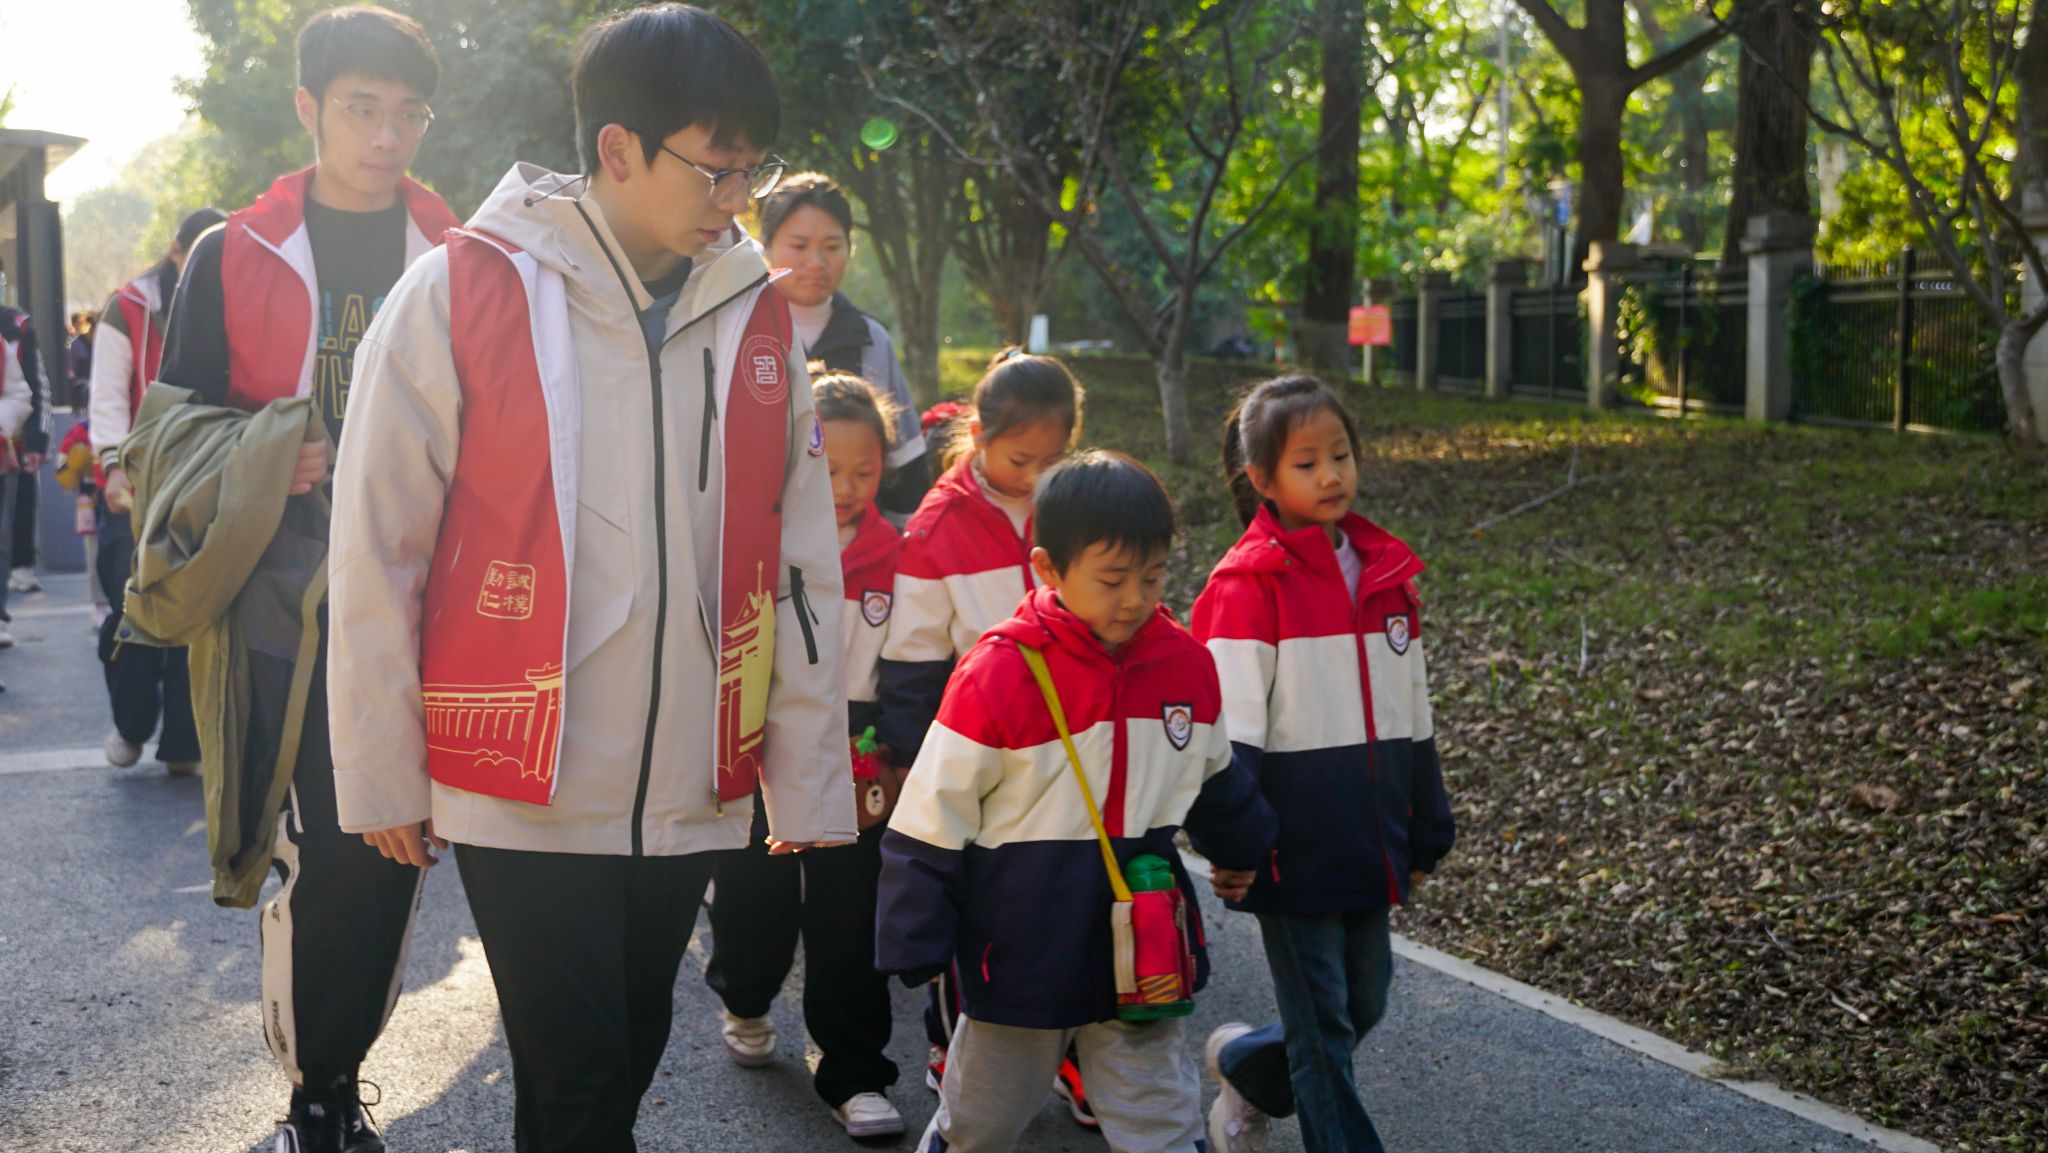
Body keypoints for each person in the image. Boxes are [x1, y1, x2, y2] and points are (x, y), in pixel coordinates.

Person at [325, 7, 855, 1151]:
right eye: (715, 168)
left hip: (691, 775)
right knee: (575, 1083)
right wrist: (378, 770)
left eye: (750, 171)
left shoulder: (755, 315)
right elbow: (377, 544)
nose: (736, 199)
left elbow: (801, 558)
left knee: (624, 1059)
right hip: (527, 777)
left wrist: (808, 776)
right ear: (617, 148)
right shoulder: (461, 290)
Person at [150, 8, 460, 1150]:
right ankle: (320, 1084)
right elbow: (166, 435)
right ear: (308, 110)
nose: (386, 137)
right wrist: (268, 455)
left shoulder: (462, 254)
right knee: (327, 845)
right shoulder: (235, 253)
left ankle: (332, 1072)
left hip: (426, 606)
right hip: (287, 604)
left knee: (391, 849)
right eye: (361, 110)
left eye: (408, 115)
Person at [877, 450, 1277, 1153]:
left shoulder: (1185, 665)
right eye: (1113, 579)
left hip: (1146, 946)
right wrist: (915, 931)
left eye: (1152, 576)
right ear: (1049, 568)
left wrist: (1246, 848)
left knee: (1162, 1119)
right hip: (1020, 947)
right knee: (982, 1118)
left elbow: (1216, 777)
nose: (1134, 599)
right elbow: (932, 813)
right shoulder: (999, 673)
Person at [1190, 376, 1458, 1153]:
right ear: (1263, 479)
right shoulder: (1248, 586)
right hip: (1286, 846)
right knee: (1325, 1030)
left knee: (1362, 1002)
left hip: (1367, 838)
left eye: (1340, 454)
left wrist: (1427, 822)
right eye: (1306, 463)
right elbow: (1225, 739)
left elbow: (1414, 713)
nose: (1331, 474)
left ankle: (1249, 1064)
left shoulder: (1385, 574)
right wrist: (1235, 841)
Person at [873, 348, 1091, 1114]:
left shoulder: (1079, 502)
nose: (1035, 476)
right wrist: (911, 758)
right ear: (978, 434)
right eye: (1019, 458)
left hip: (1078, 744)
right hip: (980, 749)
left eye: (1052, 459)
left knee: (1072, 902)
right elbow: (910, 659)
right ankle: (951, 1039)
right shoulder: (937, 526)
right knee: (981, 907)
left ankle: (1073, 1054)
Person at [704, 370, 907, 1137]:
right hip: (761, 735)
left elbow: (912, 664)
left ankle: (856, 1070)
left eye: (865, 471)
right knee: (753, 892)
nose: (846, 488)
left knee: (850, 913)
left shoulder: (901, 556)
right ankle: (746, 996)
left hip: (859, 745)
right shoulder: (753, 538)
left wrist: (896, 751)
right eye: (829, 469)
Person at [89, 207, 226, 776]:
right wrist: (114, 465)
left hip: (205, 480)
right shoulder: (129, 307)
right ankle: (131, 722)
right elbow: (107, 396)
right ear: (175, 250)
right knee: (132, 604)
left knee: (196, 609)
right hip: (136, 484)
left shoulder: (234, 298)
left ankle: (184, 745)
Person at [756, 173, 929, 517]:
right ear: (767, 248)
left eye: (832, 247)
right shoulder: (742, 333)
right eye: (799, 246)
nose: (816, 262)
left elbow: (904, 468)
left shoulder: (870, 340)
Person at [0, 267, 51, 648]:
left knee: (8, 525)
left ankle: (18, 574)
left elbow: (32, 388)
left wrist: (36, 440)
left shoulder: (17, 328)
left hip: (7, 446)